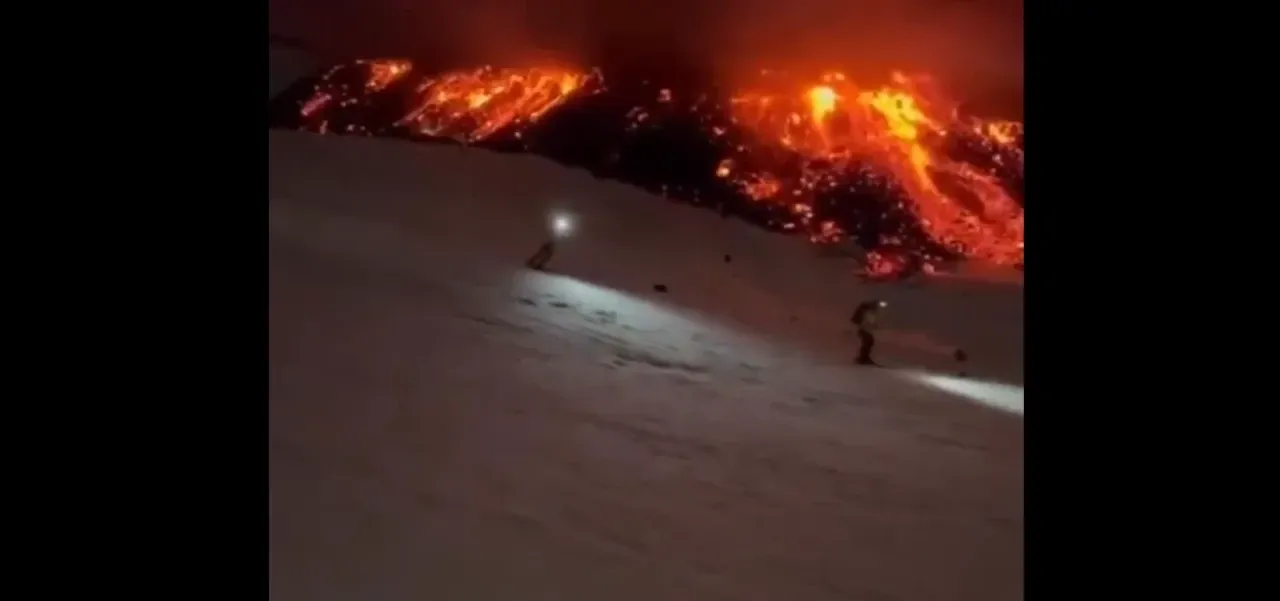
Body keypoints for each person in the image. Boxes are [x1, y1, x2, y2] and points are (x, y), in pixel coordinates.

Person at [851, 299, 887, 365]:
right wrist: (873, 325)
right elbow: (868, 321)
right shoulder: (869, 312)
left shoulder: (870, 312)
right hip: (864, 329)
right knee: (867, 343)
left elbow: (871, 321)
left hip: (865, 330)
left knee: (869, 343)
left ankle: (863, 358)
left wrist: (874, 325)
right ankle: (863, 359)